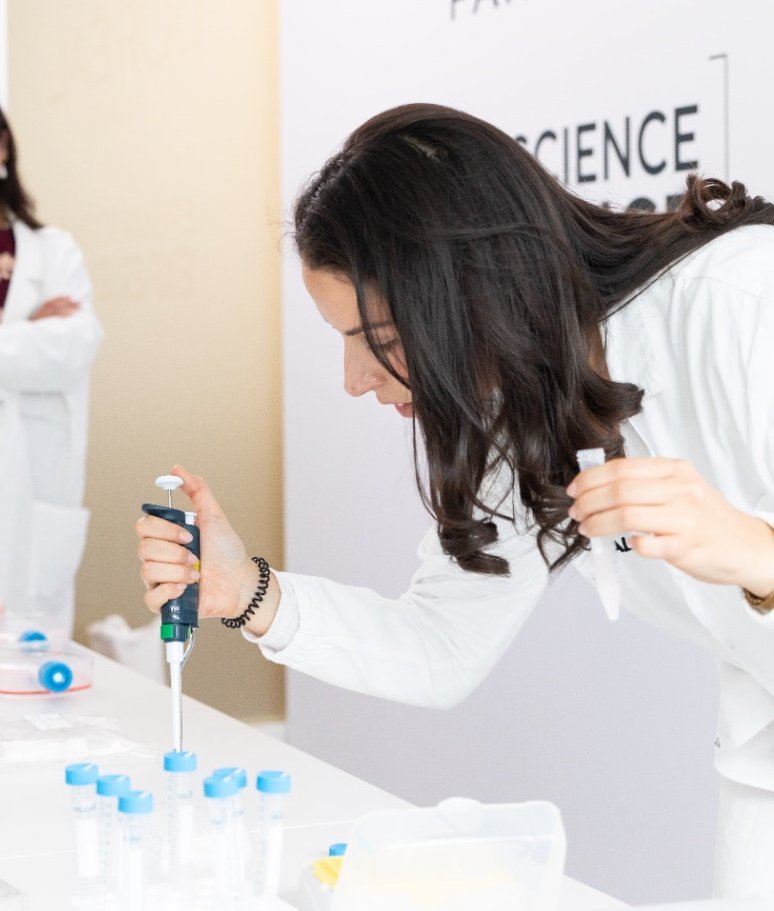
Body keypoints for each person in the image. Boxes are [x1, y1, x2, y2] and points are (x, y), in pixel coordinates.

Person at [136, 104, 774, 898]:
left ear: (467, 286)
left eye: (378, 338)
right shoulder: (523, 405)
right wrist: (248, 593)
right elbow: (440, 645)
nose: (354, 380)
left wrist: (756, 553)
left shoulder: (743, 301)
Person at [0, 106, 102, 635]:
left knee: (30, 647)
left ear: (3, 148)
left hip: (34, 485)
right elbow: (37, 350)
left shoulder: (53, 251)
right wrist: (26, 328)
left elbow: (72, 347)